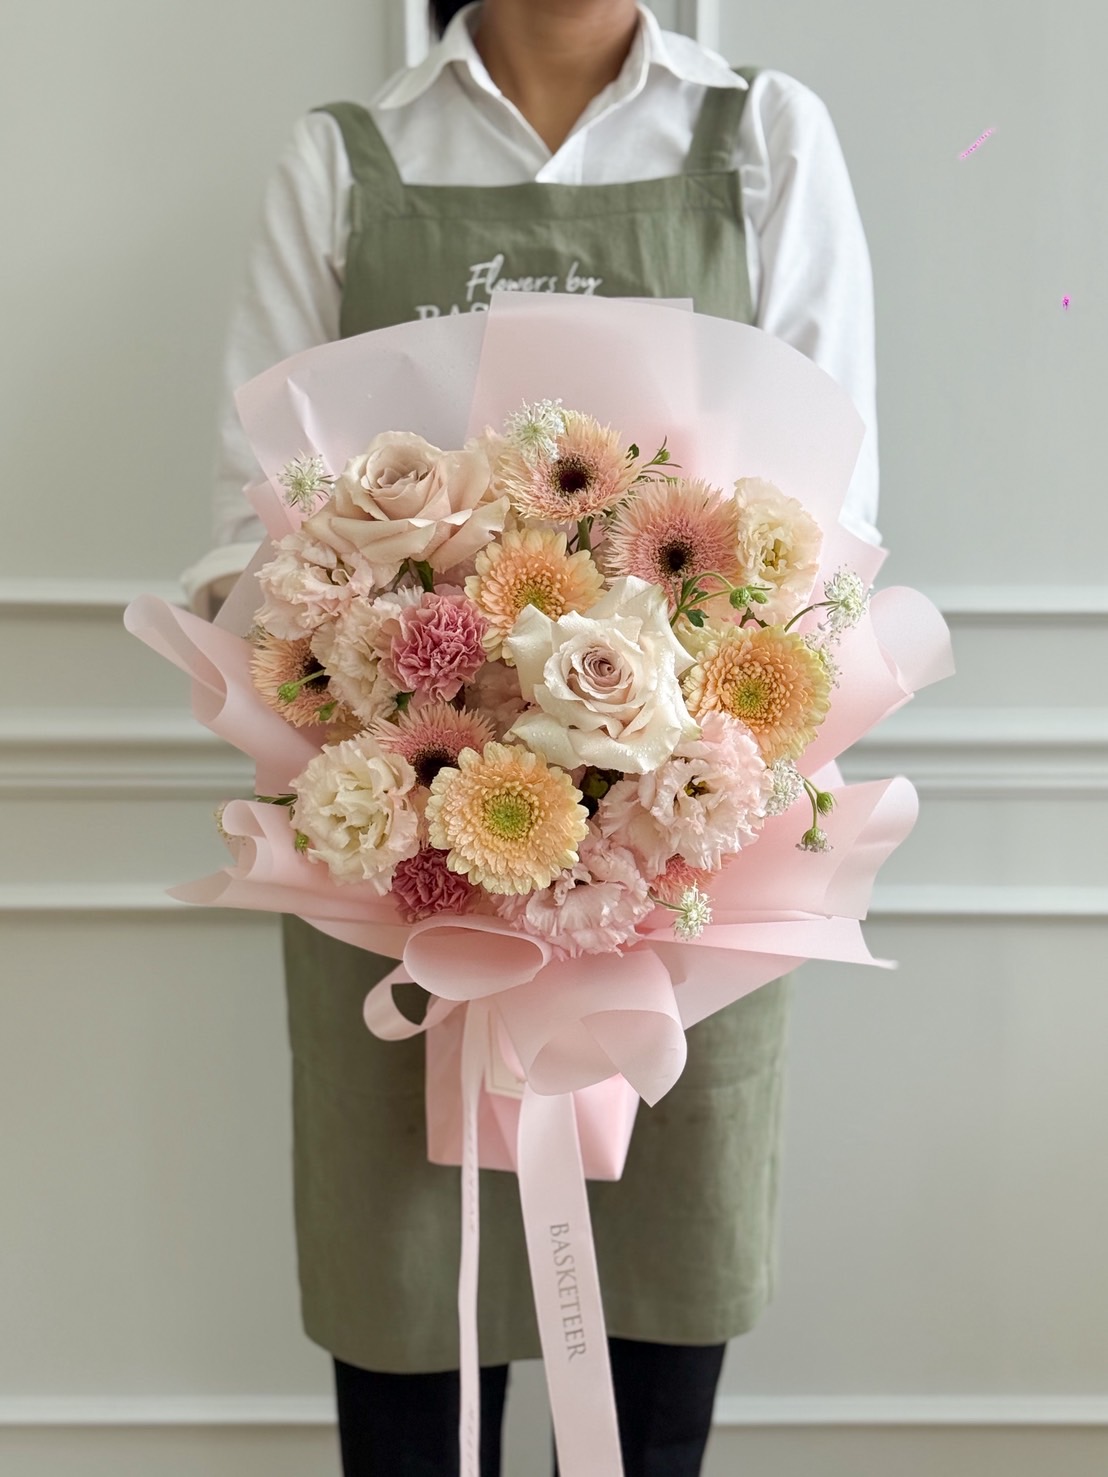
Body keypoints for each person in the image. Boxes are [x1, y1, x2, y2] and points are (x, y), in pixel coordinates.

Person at [182, 3, 882, 1473]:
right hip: (398, 859)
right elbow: (242, 532)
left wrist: (661, 723)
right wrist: (377, 688)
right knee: (403, 1329)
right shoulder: (344, 163)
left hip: (690, 860)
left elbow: (835, 531)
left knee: (657, 1319)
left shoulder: (763, 143)